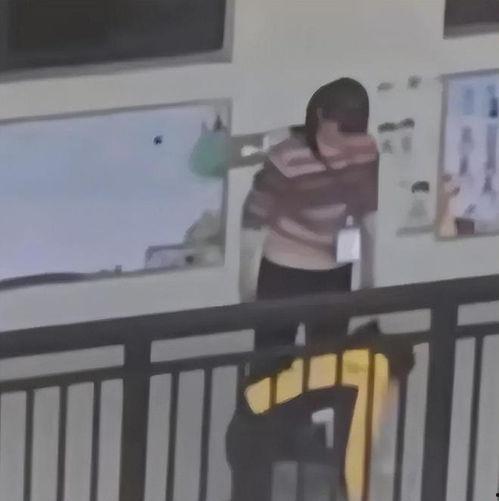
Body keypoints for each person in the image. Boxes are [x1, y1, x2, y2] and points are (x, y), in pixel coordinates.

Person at [241, 78, 379, 377]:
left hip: (332, 270)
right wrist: (248, 281)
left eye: (355, 129)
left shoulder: (366, 149)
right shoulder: (287, 156)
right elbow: (254, 220)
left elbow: (367, 213)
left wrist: (369, 276)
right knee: (274, 364)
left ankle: (312, 408)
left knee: (324, 365)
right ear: (320, 116)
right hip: (284, 270)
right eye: (342, 128)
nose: (349, 139)